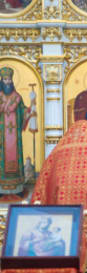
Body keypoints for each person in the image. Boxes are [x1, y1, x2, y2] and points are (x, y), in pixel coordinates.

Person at [0, 67, 27, 196]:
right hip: (1, 136)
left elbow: (22, 110)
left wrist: (28, 111)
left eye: (9, 79)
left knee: (14, 156)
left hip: (14, 137)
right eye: (5, 79)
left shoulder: (17, 97)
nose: (7, 82)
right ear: (1, 80)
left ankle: (17, 188)